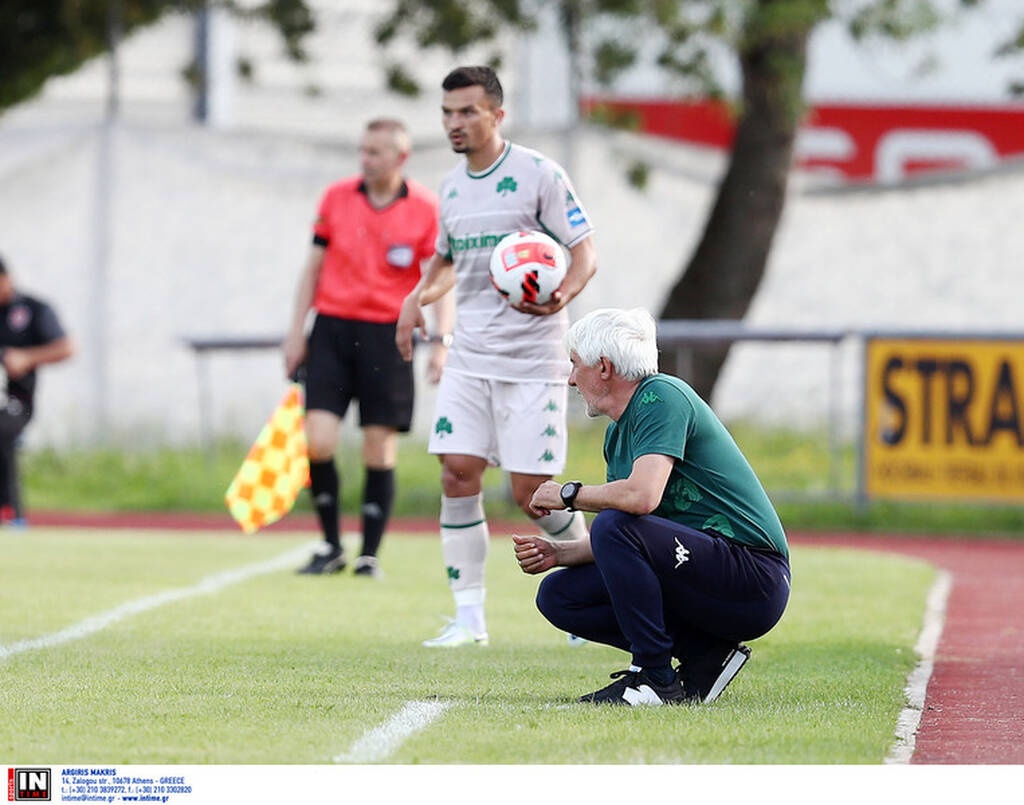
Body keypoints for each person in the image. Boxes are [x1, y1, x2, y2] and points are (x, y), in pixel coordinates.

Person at [395, 65, 598, 647]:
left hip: (533, 361)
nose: (454, 123)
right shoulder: (453, 188)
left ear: (496, 115)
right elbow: (446, 264)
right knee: (456, 473)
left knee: (531, 493)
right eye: (447, 113)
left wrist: (564, 292)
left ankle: (589, 588)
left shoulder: (539, 174)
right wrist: (416, 299)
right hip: (470, 356)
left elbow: (585, 253)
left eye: (467, 112)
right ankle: (468, 618)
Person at [513, 307, 791, 706]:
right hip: (706, 569)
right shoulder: (618, 433)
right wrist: (560, 553)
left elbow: (640, 499)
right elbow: (630, 539)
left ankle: (653, 678)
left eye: (575, 365)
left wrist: (568, 494)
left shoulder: (662, 396)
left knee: (612, 524)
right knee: (559, 595)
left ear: (604, 367)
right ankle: (705, 655)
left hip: (754, 578)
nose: (571, 378)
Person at [283, 118, 451, 578]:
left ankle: (369, 554)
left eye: (376, 152)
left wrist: (440, 342)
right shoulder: (337, 197)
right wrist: (296, 332)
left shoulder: (425, 207)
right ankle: (331, 544)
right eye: (363, 150)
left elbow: (439, 280)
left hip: (387, 336)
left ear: (401, 158)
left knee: (378, 449)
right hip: (332, 331)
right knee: (318, 441)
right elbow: (311, 269)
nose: (366, 159)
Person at [0, 255, 75, 526]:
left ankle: (11, 513)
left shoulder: (33, 309)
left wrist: (26, 358)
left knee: (2, 430)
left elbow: (66, 348)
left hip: (16, 400)